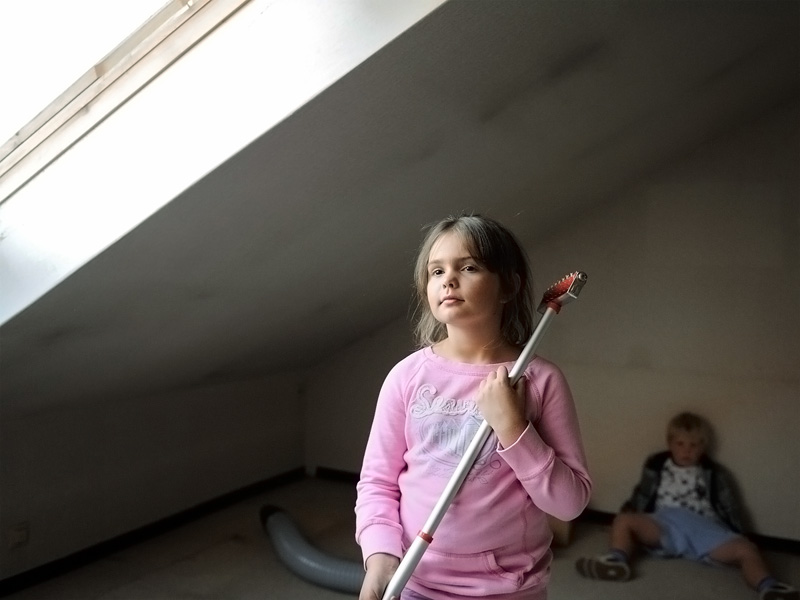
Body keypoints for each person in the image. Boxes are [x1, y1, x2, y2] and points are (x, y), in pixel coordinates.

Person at [355, 214, 592, 600]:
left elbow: (569, 505)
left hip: (508, 589)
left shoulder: (540, 381)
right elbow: (377, 483)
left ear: (508, 285)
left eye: (468, 267)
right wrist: (380, 557)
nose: (448, 279)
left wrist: (514, 429)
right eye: (437, 271)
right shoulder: (406, 377)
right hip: (415, 581)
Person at [575, 412, 798, 600]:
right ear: (670, 443)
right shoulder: (657, 465)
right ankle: (616, 560)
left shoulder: (714, 473)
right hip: (665, 523)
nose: (687, 451)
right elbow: (641, 495)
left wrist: (740, 534)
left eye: (694, 445)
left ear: (703, 447)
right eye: (680, 444)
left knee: (747, 550)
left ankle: (769, 587)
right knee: (623, 520)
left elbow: (730, 507)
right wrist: (625, 517)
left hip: (705, 529)